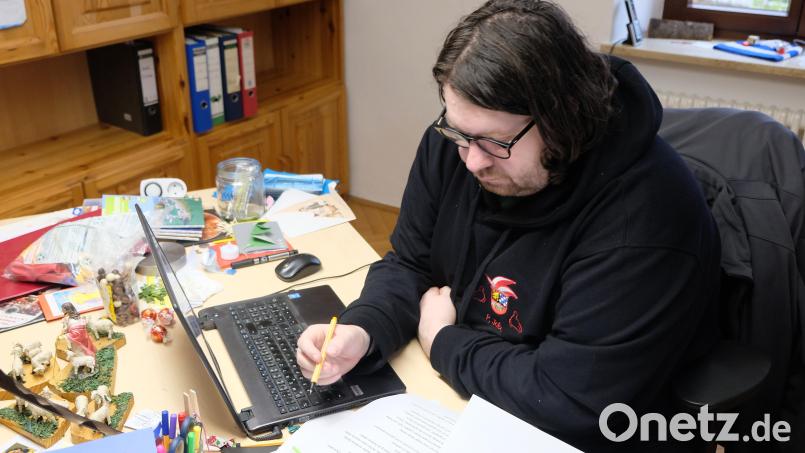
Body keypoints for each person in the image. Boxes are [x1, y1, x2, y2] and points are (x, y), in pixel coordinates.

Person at [296, 1, 720, 450]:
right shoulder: (457, 147)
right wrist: (364, 330)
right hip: (468, 395)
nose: (471, 160)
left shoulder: (644, 220)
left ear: (562, 119)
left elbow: (567, 400)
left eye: (493, 142)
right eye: (459, 132)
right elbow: (410, 263)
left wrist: (442, 339)